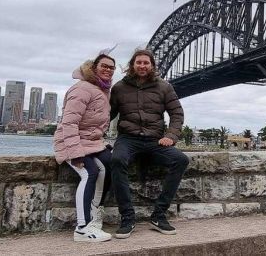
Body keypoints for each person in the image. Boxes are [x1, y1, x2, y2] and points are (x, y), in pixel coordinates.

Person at [110, 49, 189, 239]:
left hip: (155, 140)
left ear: (152, 65)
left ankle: (159, 215)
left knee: (181, 160)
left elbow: (177, 114)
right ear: (132, 65)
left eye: (146, 63)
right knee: (117, 160)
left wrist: (171, 135)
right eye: (139, 62)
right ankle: (127, 218)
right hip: (128, 139)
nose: (142, 66)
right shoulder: (119, 87)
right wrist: (90, 134)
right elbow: (108, 114)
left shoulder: (164, 87)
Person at [53, 53, 116, 242]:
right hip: (71, 141)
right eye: (104, 66)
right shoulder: (82, 88)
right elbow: (69, 123)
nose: (108, 69)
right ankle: (82, 228)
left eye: (111, 67)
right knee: (90, 172)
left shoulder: (103, 90)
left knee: (109, 165)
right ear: (94, 67)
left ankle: (95, 215)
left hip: (92, 142)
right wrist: (75, 154)